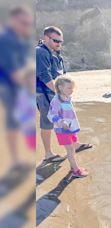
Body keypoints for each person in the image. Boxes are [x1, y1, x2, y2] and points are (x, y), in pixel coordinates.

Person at [0, 6, 33, 167]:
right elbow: (13, 70)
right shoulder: (6, 39)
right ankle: (14, 159)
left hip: (17, 86)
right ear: (12, 20)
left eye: (28, 23)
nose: (26, 26)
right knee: (14, 123)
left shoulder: (20, 39)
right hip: (8, 86)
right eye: (23, 22)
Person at [36, 26, 68, 163]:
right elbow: (44, 75)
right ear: (46, 38)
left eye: (61, 42)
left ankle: (73, 144)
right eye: (56, 41)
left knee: (64, 119)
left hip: (50, 92)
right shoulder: (40, 52)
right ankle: (48, 154)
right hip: (44, 93)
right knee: (47, 123)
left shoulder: (52, 52)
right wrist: (60, 93)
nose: (59, 44)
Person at [47, 77, 89, 177]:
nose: (72, 90)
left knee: (72, 148)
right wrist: (61, 121)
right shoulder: (56, 100)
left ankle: (72, 166)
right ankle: (75, 170)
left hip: (70, 129)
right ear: (60, 87)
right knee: (70, 150)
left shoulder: (66, 98)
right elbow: (51, 114)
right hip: (62, 130)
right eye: (69, 88)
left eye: (72, 88)